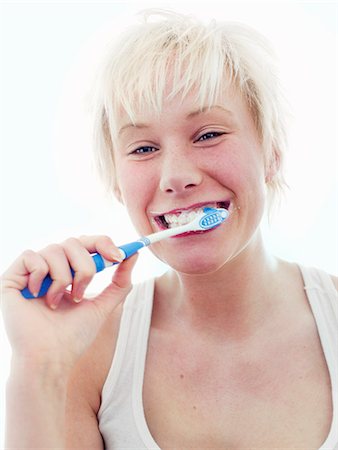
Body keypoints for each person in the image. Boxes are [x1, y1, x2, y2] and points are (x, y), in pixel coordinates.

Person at [1, 9, 337, 450]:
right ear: (117, 182)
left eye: (208, 135)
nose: (175, 176)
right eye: (143, 147)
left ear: (271, 152)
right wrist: (39, 367)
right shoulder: (94, 353)